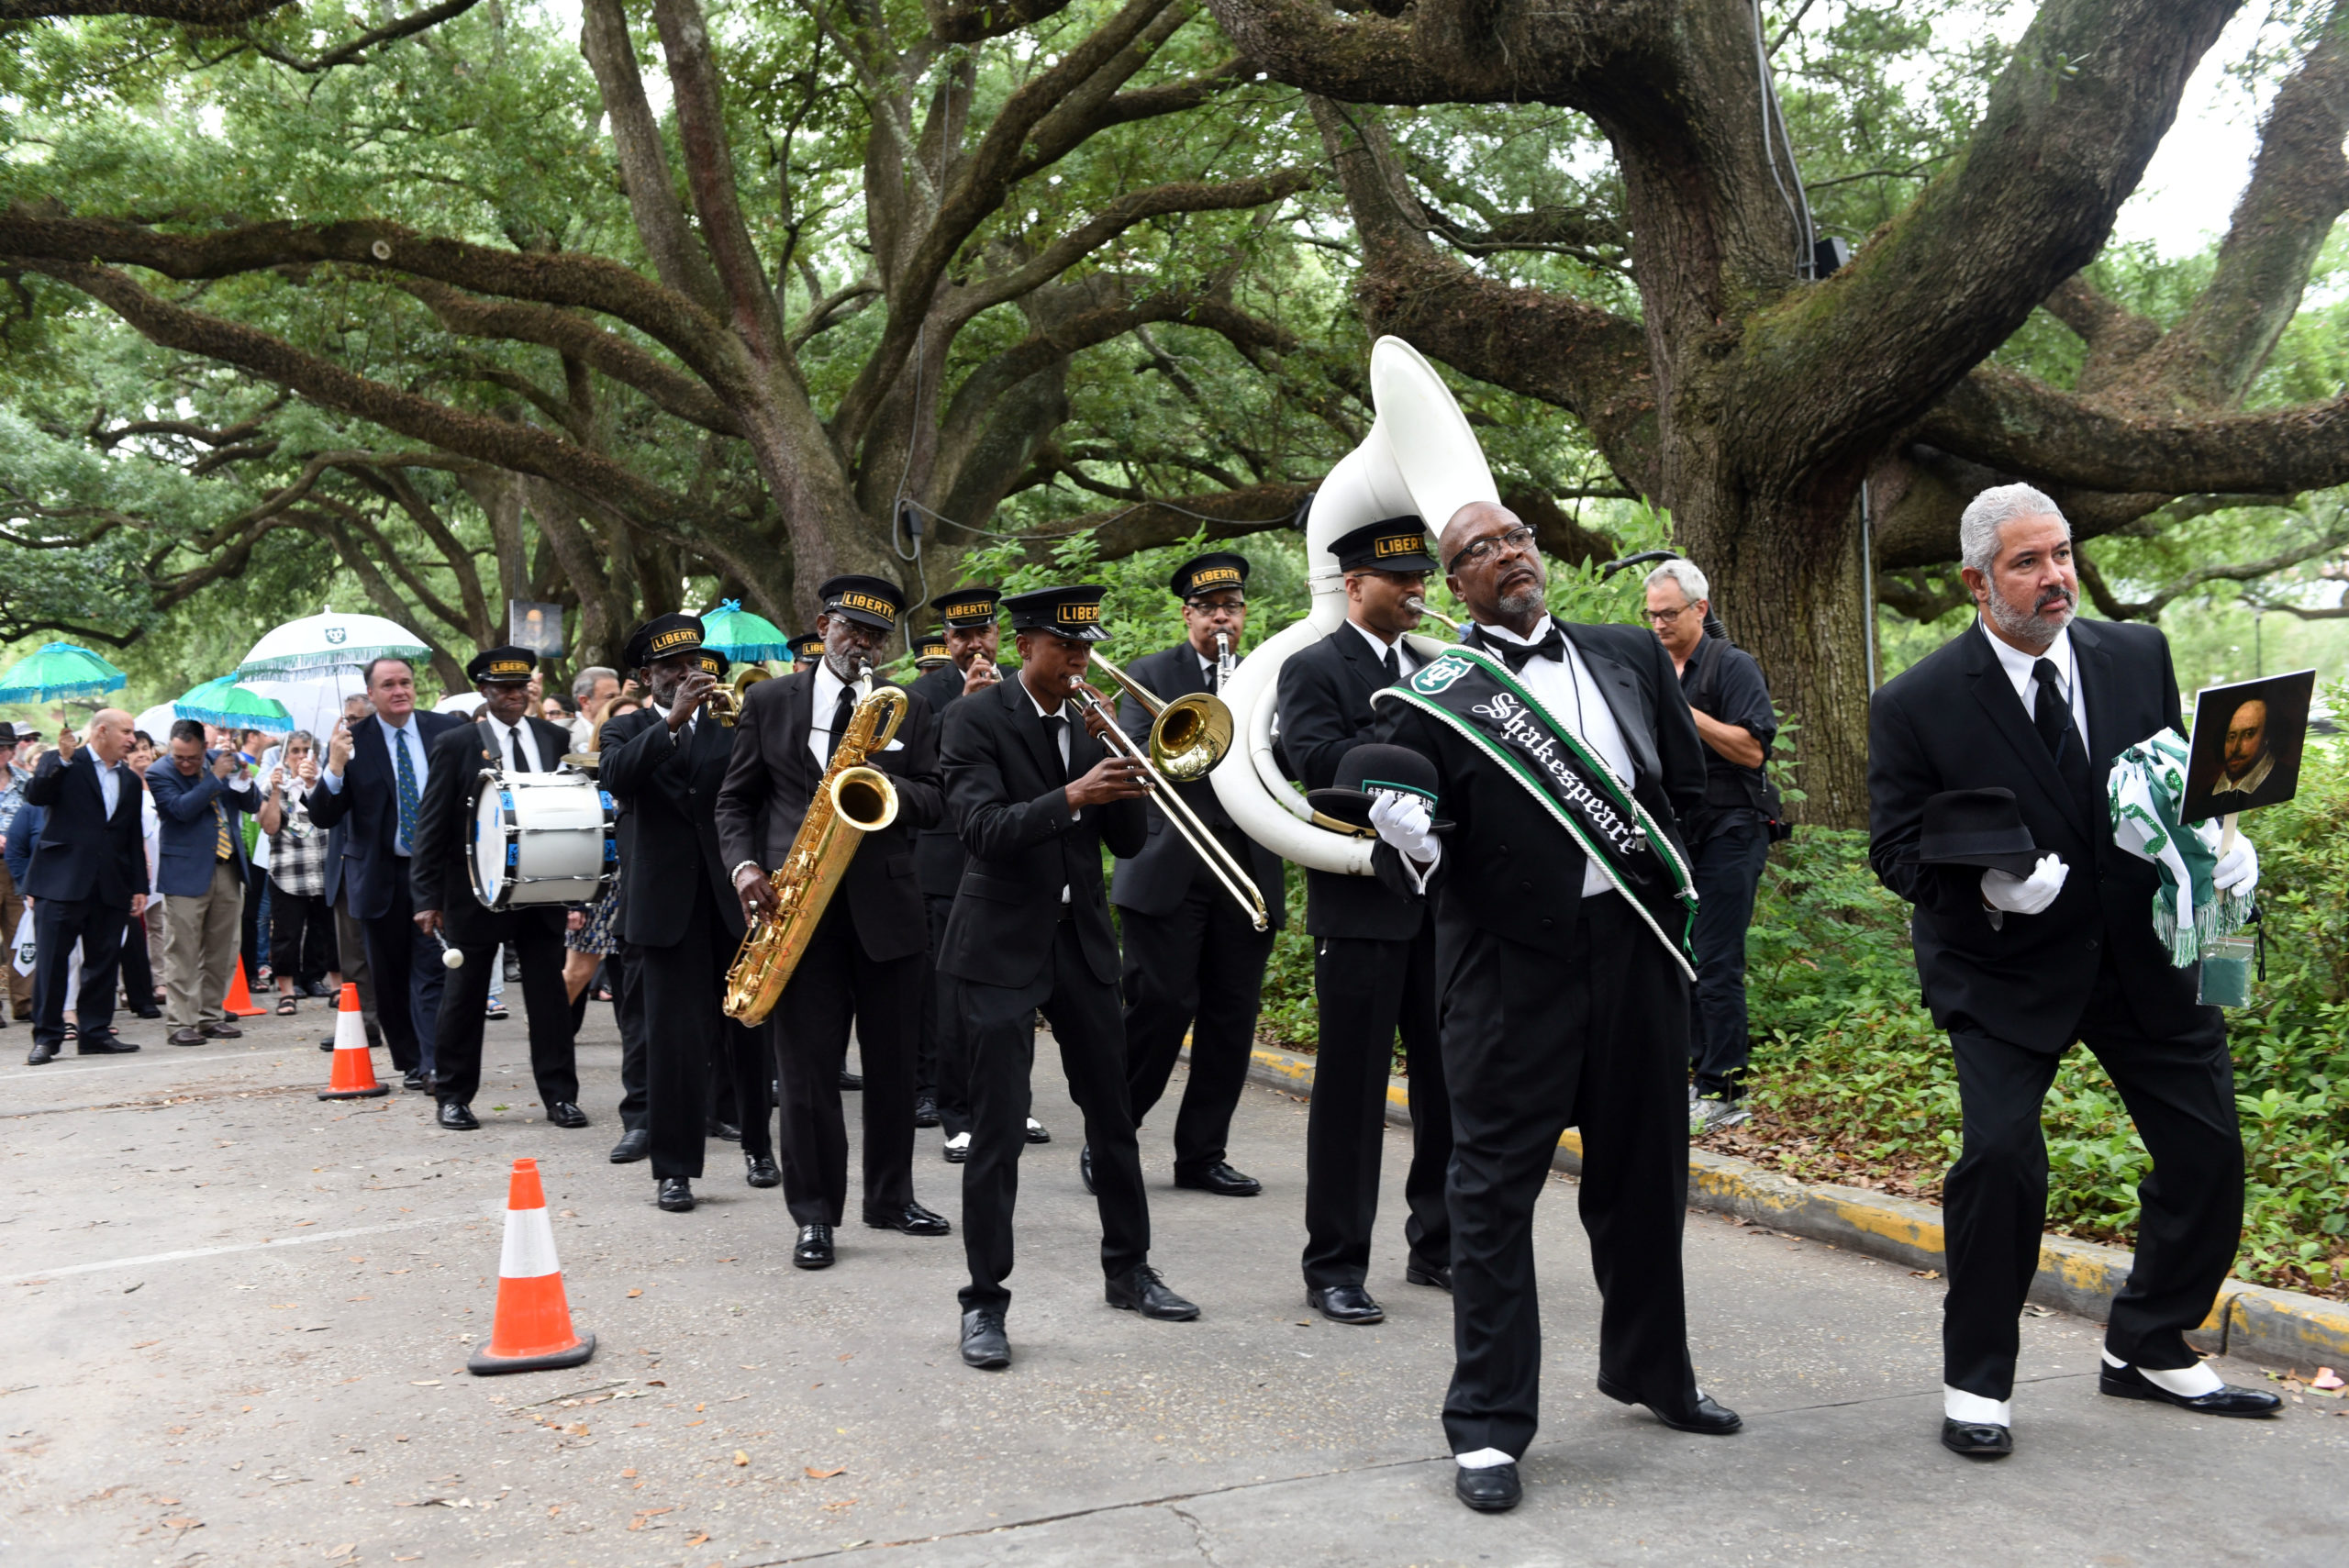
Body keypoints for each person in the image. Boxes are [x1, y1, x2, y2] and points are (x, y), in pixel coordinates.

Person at [1865, 482, 2277, 1461]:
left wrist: (2222, 841)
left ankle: (2146, 1339)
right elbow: (1894, 851)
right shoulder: (1914, 703)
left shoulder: (2137, 653)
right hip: (2002, 969)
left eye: (2060, 553)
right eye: (2027, 562)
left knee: (2207, 1153)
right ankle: (1977, 1377)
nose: (2055, 577)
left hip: (2142, 955)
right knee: (2001, 1160)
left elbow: (2176, 775)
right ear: (1975, 580)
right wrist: (1985, 895)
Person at [1364, 501, 1735, 1515]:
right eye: (1477, 551)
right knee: (1488, 1197)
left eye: (1516, 536)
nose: (1507, 554)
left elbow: (1683, 789)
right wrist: (1410, 835)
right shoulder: (1430, 693)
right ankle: (1487, 1423)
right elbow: (1411, 830)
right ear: (1454, 587)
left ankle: (1654, 1371)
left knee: (1645, 1177)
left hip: (1632, 954)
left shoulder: (1626, 652)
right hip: (1504, 967)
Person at [937, 584, 1205, 1370]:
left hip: (1080, 943)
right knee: (997, 1126)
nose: (1080, 663)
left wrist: (1129, 771)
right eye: (1066, 649)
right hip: (996, 943)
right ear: (1027, 647)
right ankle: (984, 1302)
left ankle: (1129, 1269)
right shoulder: (973, 719)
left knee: (1113, 1118)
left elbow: (1123, 842)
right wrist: (1072, 793)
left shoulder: (1096, 723)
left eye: (1087, 649)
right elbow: (983, 830)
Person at [718, 576, 951, 1268]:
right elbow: (734, 804)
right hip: (797, 909)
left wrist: (883, 786)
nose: (866, 645)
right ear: (823, 626)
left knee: (891, 1068)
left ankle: (890, 1197)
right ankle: (814, 1214)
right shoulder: (766, 702)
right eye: (854, 630)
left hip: (887, 908)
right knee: (808, 1073)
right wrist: (745, 867)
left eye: (878, 636)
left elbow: (938, 799)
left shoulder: (905, 709)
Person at [1275, 517, 1455, 1324]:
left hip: (1440, 906)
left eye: (1422, 577)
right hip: (1358, 904)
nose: (1419, 591)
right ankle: (1335, 1263)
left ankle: (1441, 1243)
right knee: (1351, 1094)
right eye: (1400, 580)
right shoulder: (1313, 666)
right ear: (1354, 586)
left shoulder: (1439, 666)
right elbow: (1317, 763)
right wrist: (1412, 744)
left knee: (1450, 1087)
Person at [1100, 552, 1286, 1199]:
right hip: (1171, 867)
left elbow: (1288, 761)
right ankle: (1111, 1138)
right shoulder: (1152, 674)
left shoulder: (1268, 678)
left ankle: (1203, 1154)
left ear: (1244, 613)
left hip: (1247, 867)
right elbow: (1131, 760)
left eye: (1231, 607)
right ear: (1189, 615)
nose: (1222, 618)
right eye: (1209, 609)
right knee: (1159, 1006)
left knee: (1231, 1018)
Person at [602, 619, 780, 1210]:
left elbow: (753, 796)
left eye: (693, 664)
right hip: (664, 906)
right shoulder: (625, 727)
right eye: (671, 669)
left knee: (750, 1032)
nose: (687, 674)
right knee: (673, 1042)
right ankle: (674, 1169)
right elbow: (617, 779)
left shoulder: (734, 722)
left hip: (733, 900)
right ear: (646, 678)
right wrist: (672, 723)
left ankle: (759, 1146)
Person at [410, 647, 587, 1132]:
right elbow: (431, 825)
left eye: (520, 686)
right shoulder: (457, 742)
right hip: (475, 888)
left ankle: (560, 1096)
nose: (514, 695)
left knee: (549, 997)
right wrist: (426, 898)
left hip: (542, 888)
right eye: (502, 688)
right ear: (484, 692)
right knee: (464, 995)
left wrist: (577, 889)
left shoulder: (555, 738)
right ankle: (453, 1095)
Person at [1642, 559, 1778, 1134]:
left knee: (1716, 957)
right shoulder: (1647, 666)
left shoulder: (1732, 665)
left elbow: (1752, 750)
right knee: (1679, 955)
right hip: (1676, 831)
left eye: (1668, 614)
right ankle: (1690, 1076)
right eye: (1650, 616)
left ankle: (1724, 1088)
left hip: (1733, 829)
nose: (1658, 625)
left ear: (1700, 609)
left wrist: (1684, 713)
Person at [306, 658, 467, 1093]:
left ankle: (435, 1063)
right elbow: (322, 816)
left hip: (433, 873)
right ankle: (412, 1060)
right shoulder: (351, 741)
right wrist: (335, 768)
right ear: (371, 695)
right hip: (379, 876)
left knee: (433, 967)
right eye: (388, 685)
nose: (400, 691)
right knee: (391, 975)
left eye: (406, 682)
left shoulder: (445, 732)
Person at [907, 584, 1015, 1158]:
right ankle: (956, 1112)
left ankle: (1005, 1105)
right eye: (962, 636)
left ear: (998, 635)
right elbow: (917, 768)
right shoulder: (919, 695)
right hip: (945, 860)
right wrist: (963, 708)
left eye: (984, 633)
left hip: (1007, 856)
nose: (976, 645)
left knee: (1007, 992)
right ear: (946, 641)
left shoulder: (1019, 685)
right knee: (950, 996)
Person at [20, 710, 148, 1062]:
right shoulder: (62, 761)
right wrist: (60, 759)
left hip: (110, 884)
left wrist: (139, 884)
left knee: (104, 961)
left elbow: (131, 835)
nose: (131, 740)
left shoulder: (130, 780)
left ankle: (94, 1032)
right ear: (101, 731)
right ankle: (47, 1037)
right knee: (52, 963)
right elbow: (36, 794)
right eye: (126, 731)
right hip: (61, 881)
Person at [146, 718, 262, 1046]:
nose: (185, 763)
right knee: (182, 949)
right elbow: (181, 810)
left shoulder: (222, 762)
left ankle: (211, 1015)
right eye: (178, 756)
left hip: (227, 866)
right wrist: (214, 777)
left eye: (192, 757)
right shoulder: (159, 772)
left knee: (222, 949)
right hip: (185, 872)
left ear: (204, 748)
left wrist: (241, 779)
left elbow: (252, 804)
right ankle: (180, 1022)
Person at [258, 731, 338, 1014]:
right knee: (286, 934)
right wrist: (277, 791)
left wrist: (313, 783)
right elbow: (268, 827)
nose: (301, 756)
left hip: (324, 868)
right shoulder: (272, 785)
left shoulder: (327, 784)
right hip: (288, 872)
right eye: (295, 751)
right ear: (285, 755)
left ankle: (332, 984)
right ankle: (287, 991)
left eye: (307, 750)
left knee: (328, 931)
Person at [0, 723, 37, 1024]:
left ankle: (26, 1001)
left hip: (18, 864)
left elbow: (37, 816)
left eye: (3, 748)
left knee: (21, 932)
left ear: (12, 751)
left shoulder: (26, 782)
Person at [2209, 695, 2275, 800]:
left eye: (2248, 734)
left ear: (2267, 737)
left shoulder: (2280, 784)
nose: (2235, 748)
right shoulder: (2207, 798)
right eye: (2231, 737)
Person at [569, 665, 621, 751]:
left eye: (619, 696)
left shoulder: (629, 730)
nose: (619, 701)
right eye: (610, 697)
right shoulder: (566, 739)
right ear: (585, 702)